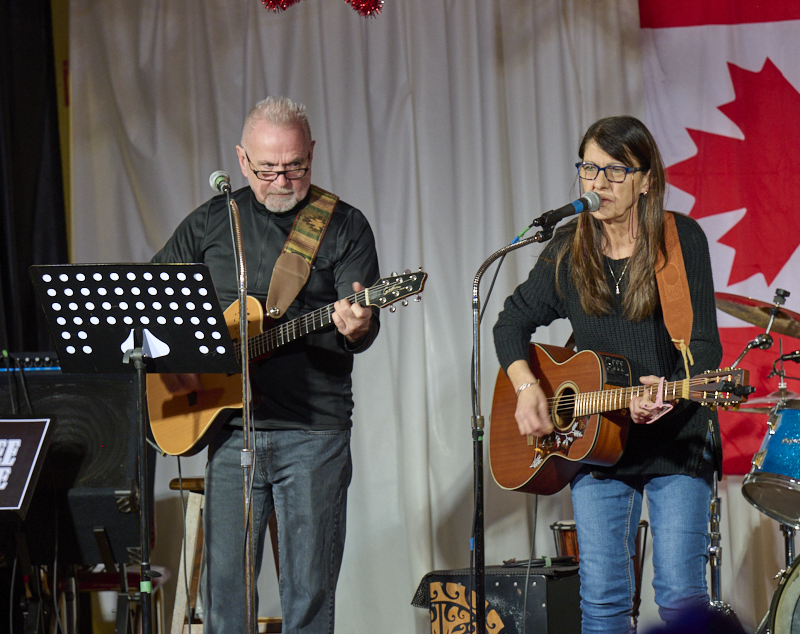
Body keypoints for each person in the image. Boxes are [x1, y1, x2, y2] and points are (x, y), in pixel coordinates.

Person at [151, 96, 380, 633]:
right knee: (225, 600)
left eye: (295, 166)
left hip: (314, 430)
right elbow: (155, 298)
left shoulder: (343, 225)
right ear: (240, 159)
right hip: (229, 431)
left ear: (312, 153)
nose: (281, 179)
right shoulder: (213, 220)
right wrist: (182, 360)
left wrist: (359, 325)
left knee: (308, 597)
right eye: (267, 168)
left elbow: (359, 321)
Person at [493, 115, 722, 633]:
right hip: (598, 443)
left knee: (681, 598)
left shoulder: (678, 238)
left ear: (645, 179)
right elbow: (510, 323)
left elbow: (706, 350)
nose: (599, 184)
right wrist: (528, 388)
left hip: (677, 439)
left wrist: (669, 396)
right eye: (589, 168)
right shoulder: (567, 248)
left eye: (616, 171)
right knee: (601, 602)